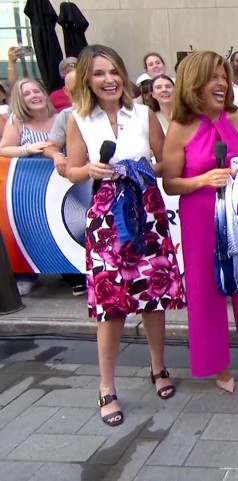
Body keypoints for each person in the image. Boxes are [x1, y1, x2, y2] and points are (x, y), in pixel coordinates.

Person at [64, 44, 185, 426]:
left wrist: (146, 165)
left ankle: (158, 366)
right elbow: (71, 169)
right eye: (99, 73)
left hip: (147, 209)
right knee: (111, 304)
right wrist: (91, 170)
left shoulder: (144, 113)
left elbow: (166, 161)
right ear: (87, 79)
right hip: (105, 217)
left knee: (154, 295)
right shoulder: (77, 119)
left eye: (113, 71)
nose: (109, 79)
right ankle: (106, 386)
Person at [162, 50, 238, 392]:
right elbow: (170, 183)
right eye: (213, 77)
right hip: (198, 214)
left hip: (236, 211)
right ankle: (216, 363)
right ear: (193, 83)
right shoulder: (179, 128)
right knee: (205, 287)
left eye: (223, 77)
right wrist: (202, 180)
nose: (221, 83)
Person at [0, 78, 56, 296]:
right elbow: (3, 149)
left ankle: (71, 275)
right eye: (27, 94)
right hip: (28, 187)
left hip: (61, 184)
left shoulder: (63, 117)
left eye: (37, 91)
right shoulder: (17, 122)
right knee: (31, 228)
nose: (34, 96)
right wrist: (27, 149)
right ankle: (26, 273)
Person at [43, 69, 87, 297]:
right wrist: (58, 156)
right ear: (68, 92)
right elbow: (51, 145)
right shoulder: (68, 116)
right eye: (75, 87)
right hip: (83, 186)